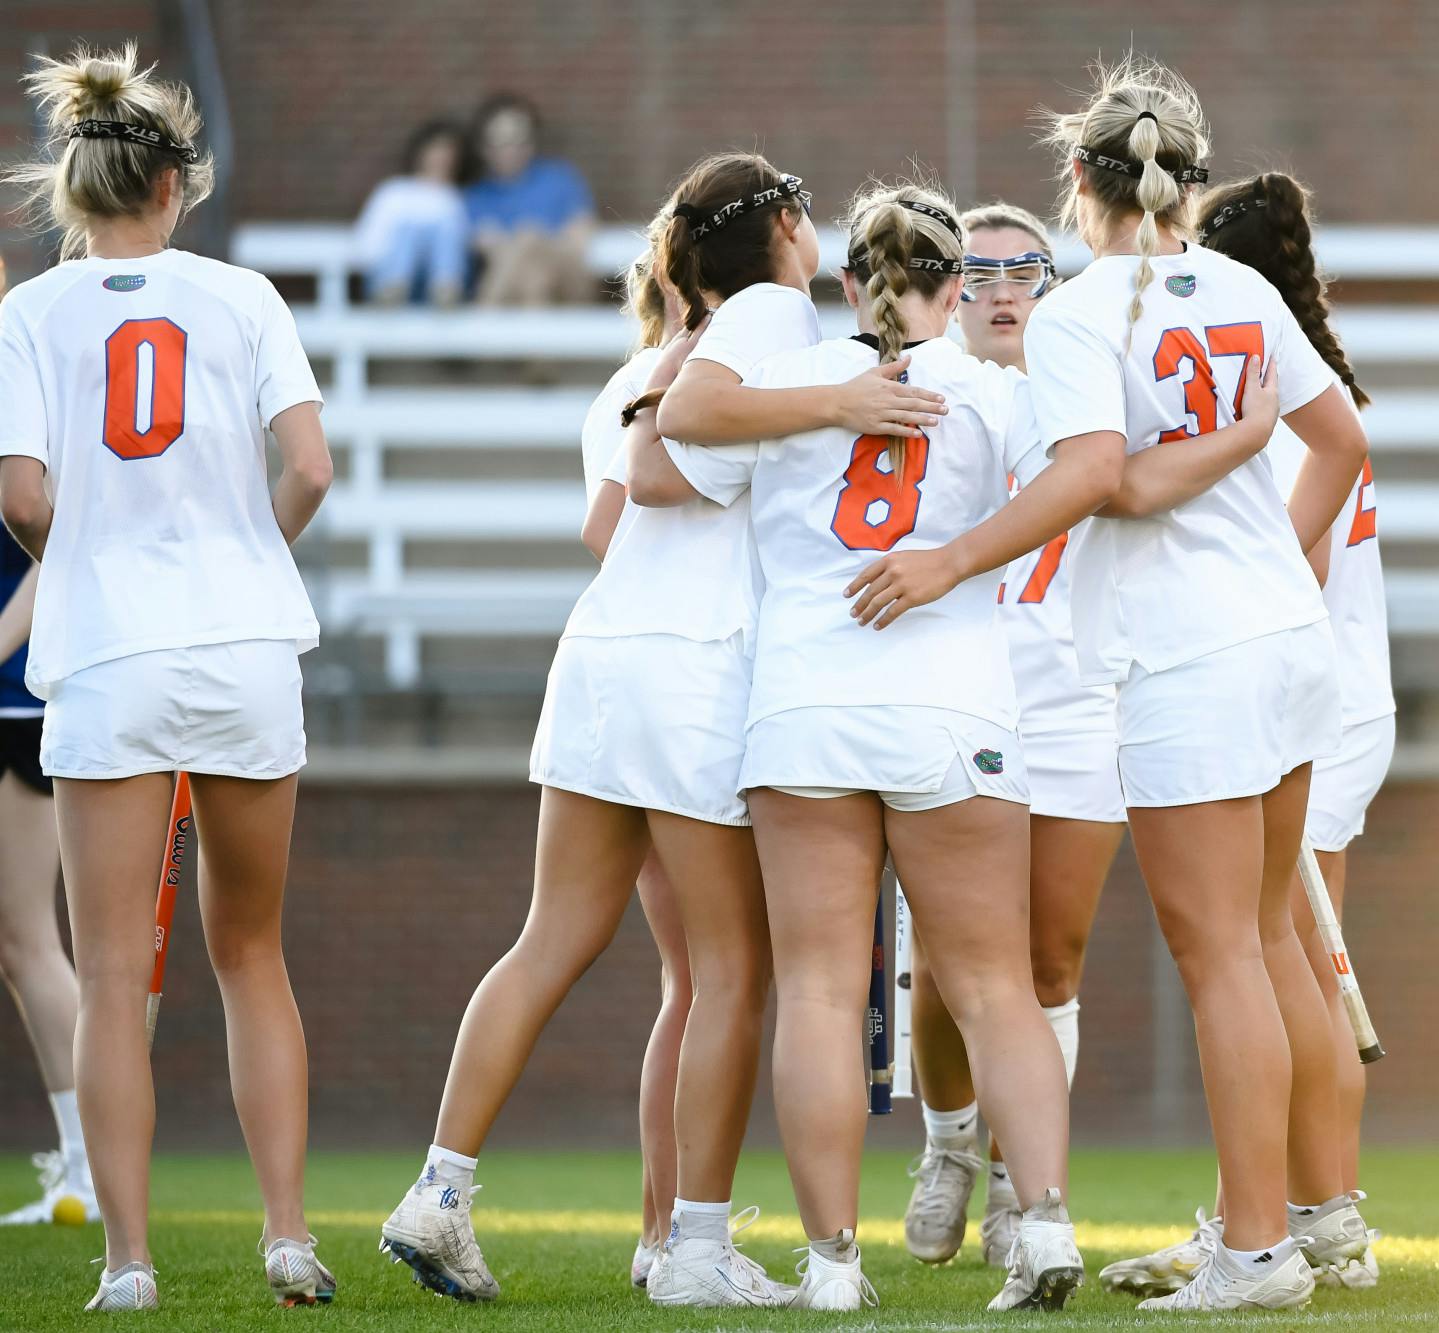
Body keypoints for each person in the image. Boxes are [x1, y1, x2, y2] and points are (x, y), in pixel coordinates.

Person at [379, 153, 943, 1310]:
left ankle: (442, 1190)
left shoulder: (648, 358)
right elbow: (662, 461)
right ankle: (691, 1242)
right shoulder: (780, 315)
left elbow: (612, 512)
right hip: (694, 673)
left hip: (604, 655)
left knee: (566, 946)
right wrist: (839, 398)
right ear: (785, 226)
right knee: (732, 972)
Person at [626, 179, 1165, 1312]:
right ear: (952, 284)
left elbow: (666, 439)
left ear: (843, 280)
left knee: (820, 991)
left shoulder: (785, 376)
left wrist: (811, 397)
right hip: (952, 699)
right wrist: (954, 560)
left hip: (805, 701)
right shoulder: (983, 383)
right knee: (994, 987)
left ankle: (829, 1264)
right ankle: (1046, 1225)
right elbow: (1091, 471)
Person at [1025, 57, 1370, 1311]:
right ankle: (1299, 1225)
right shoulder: (1236, 285)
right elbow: (1340, 444)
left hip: (1186, 655)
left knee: (1221, 951)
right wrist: (1262, 564)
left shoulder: (1072, 316)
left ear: (1079, 177)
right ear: (1188, 172)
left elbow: (1103, 481)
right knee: (1269, 939)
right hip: (1282, 634)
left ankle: (1258, 1250)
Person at [0, 43, 336, 1312]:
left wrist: (83, 560)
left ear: (75, 188)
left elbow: (22, 494)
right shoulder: (243, 295)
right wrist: (246, 555)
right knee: (252, 952)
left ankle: (127, 1262)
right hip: (247, 644)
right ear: (174, 185)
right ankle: (289, 1234)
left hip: (108, 652)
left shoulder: (27, 314)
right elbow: (306, 469)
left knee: (110, 968)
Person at [1101, 171, 1391, 1297]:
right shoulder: (1303, 379)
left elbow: (1292, 560)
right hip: (1328, 683)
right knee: (1288, 959)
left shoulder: (1252, 401)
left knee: (1281, 959)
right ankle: (1297, 1218)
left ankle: (1302, 1221)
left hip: (1279, 685)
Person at [899, 203, 1126, 1268]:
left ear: (1051, 279)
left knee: (1048, 959)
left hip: (1075, 693)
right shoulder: (918, 389)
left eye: (1020, 270)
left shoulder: (1092, 378)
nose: (998, 290)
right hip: (961, 686)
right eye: (974, 272)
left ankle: (1020, 1179)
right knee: (949, 961)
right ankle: (949, 1144)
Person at [576, 242, 691, 1290]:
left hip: (629, 690)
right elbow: (607, 524)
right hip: (669, 698)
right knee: (702, 979)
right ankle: (668, 1232)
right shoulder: (659, 380)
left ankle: (667, 1227)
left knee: (687, 980)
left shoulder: (655, 376)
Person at [0, 513, 95, 1231]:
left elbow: (54, 537)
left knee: (26, 938)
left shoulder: (20, 401)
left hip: (17, 697)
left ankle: (91, 1162)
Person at [462, 94, 596, 306]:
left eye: (521, 141)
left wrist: (534, 243)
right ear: (483, 148)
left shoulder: (561, 180)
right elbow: (482, 250)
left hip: (563, 290)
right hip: (514, 296)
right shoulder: (474, 198)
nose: (512, 151)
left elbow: (580, 242)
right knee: (531, 275)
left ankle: (484, 317)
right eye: (501, 143)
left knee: (532, 255)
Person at [353, 118, 471, 307]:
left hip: (435, 289)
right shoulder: (394, 191)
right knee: (408, 232)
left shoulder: (457, 199)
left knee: (444, 233)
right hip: (389, 277)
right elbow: (367, 244)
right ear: (420, 152)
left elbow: (461, 247)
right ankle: (393, 288)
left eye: (448, 151)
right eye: (436, 149)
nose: (441, 157)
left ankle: (446, 291)